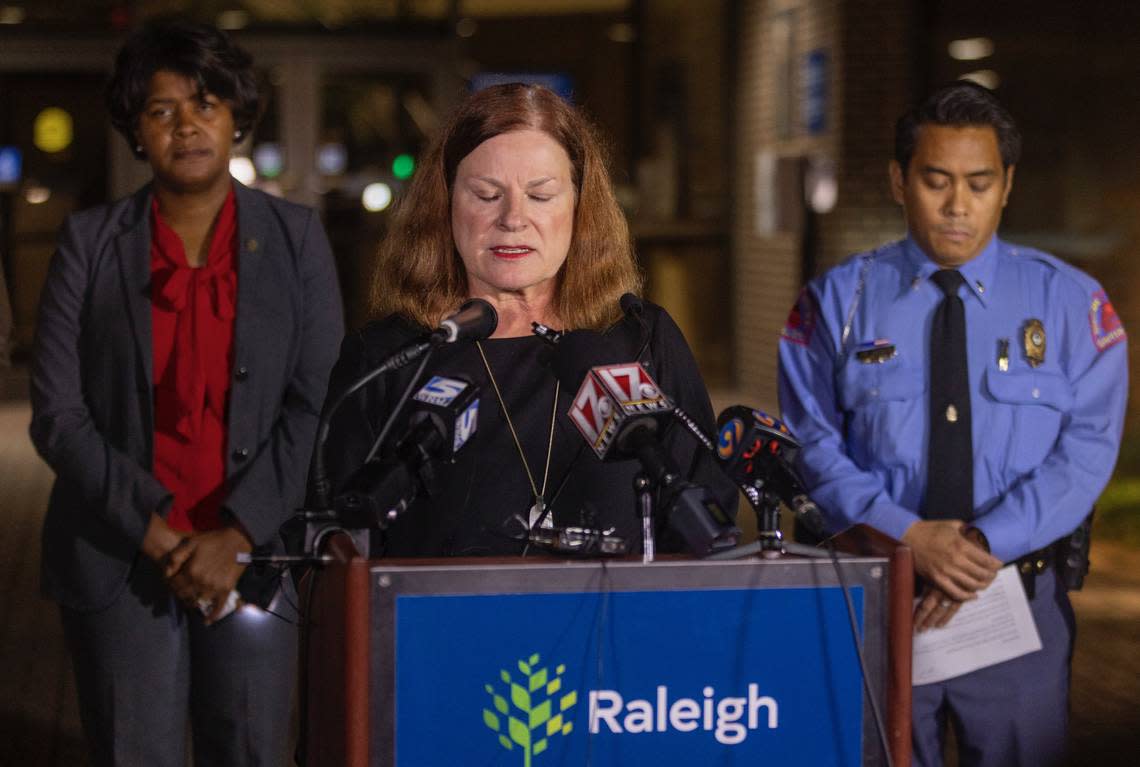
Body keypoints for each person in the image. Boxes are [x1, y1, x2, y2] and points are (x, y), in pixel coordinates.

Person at [777, 82, 1127, 767]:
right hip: (879, 603)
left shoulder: (1070, 304)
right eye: (936, 180)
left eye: (978, 182)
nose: (958, 204)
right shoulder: (836, 303)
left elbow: (1086, 449)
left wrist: (979, 541)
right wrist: (909, 534)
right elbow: (808, 440)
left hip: (1014, 603)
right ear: (899, 181)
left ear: (1008, 185)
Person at [29, 19, 343, 767]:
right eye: (161, 110)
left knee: (251, 749)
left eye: (204, 102)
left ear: (236, 114)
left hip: (254, 557)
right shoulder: (88, 244)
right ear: (137, 131)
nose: (187, 125)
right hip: (124, 552)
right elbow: (58, 415)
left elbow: (318, 401)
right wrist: (161, 536)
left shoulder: (298, 238)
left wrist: (237, 536)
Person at [321, 83, 735, 557]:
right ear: (446, 205)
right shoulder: (391, 358)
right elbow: (337, 549)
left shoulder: (642, 343)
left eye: (540, 195)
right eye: (486, 194)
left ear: (579, 208)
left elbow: (705, 516)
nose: (513, 219)